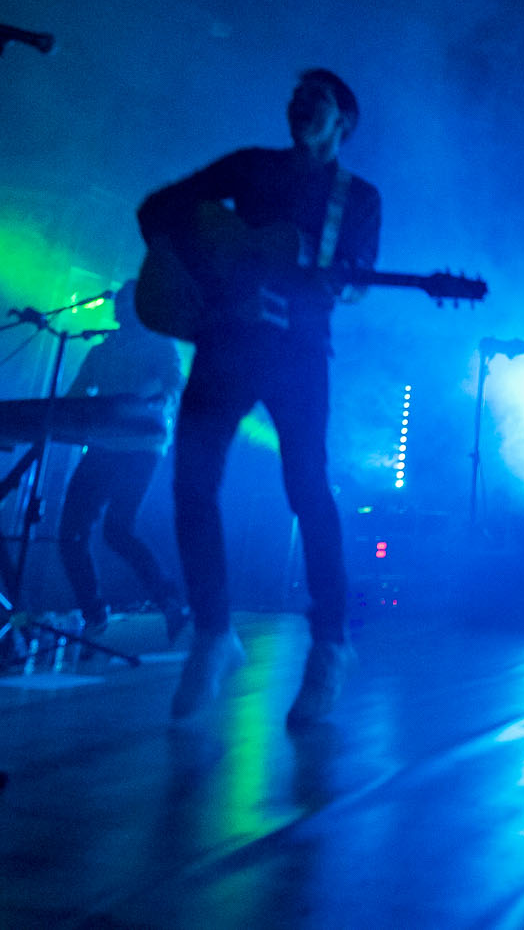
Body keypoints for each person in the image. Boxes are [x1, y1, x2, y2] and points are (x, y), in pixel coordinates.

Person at [138, 68, 381, 727]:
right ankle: (213, 634)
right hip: (224, 341)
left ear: (343, 122)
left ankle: (332, 644)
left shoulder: (356, 198)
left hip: (299, 353)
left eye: (318, 100)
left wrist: (326, 271)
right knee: (191, 486)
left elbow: (355, 279)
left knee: (307, 487)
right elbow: (156, 208)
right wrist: (205, 268)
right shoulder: (249, 167)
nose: (301, 105)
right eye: (297, 96)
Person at [55, 280, 187, 641]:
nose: (118, 308)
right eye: (118, 303)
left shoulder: (161, 344)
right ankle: (94, 614)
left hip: (141, 445)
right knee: (70, 534)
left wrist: (144, 399)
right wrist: (56, 413)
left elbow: (173, 384)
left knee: (118, 529)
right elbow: (75, 397)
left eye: (128, 302)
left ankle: (169, 599)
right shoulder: (100, 351)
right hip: (102, 445)